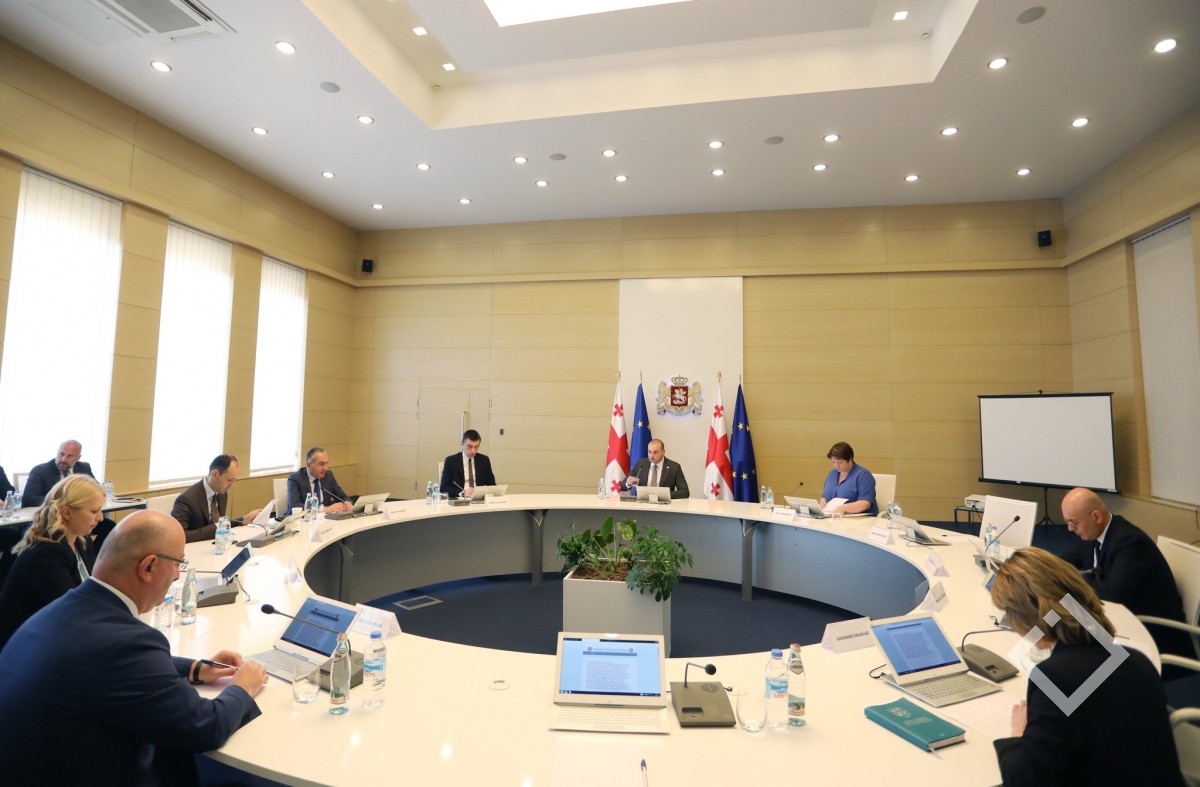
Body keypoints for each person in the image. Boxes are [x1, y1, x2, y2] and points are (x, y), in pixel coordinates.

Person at [0, 509, 266, 784]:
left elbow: (101, 662)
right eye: (178, 563)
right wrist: (243, 686)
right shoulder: (127, 643)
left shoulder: (68, 607)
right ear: (148, 567)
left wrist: (196, 668)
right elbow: (205, 727)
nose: (177, 575)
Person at [990, 547, 1183, 786]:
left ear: (1028, 616)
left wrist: (1018, 733)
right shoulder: (1137, 660)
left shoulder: (1056, 678)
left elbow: (1024, 779)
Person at [1060, 486, 1189, 657]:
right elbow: (1064, 561)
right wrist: (1044, 567)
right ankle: (1036, 646)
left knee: (1076, 650)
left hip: (1150, 635)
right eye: (1067, 522)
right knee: (1061, 619)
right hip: (1116, 623)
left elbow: (1112, 594)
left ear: (1096, 516)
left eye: (1074, 522)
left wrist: (1072, 581)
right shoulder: (1091, 534)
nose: (1070, 529)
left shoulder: (1130, 543)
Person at [0, 475, 103, 652]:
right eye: (94, 511)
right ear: (67, 512)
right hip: (23, 646)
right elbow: (70, 611)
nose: (100, 517)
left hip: (56, 634)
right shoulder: (46, 554)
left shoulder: (81, 541)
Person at [171, 454, 262, 543]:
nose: (232, 485)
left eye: (234, 480)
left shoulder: (222, 493)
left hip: (218, 545)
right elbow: (180, 535)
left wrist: (244, 519)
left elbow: (221, 524)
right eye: (229, 480)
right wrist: (216, 528)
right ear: (215, 474)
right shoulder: (186, 499)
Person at [22, 439, 95, 507]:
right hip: (50, 511)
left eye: (70, 456)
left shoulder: (84, 467)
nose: (63, 459)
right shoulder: (40, 470)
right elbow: (29, 498)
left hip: (77, 511)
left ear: (78, 458)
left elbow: (95, 489)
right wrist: (61, 504)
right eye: (61, 454)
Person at [287, 446, 352, 513]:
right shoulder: (295, 479)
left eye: (326, 463)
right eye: (321, 464)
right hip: (302, 518)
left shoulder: (328, 475)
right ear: (308, 465)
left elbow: (342, 496)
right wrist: (324, 509)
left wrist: (347, 503)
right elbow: (295, 506)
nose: (325, 468)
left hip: (324, 518)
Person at [818, 441, 878, 514]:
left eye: (840, 462)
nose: (837, 466)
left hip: (859, 518)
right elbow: (824, 496)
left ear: (850, 459)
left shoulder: (863, 475)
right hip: (834, 517)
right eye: (834, 462)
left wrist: (844, 508)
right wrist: (823, 501)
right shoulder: (832, 474)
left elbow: (865, 503)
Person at [439, 429, 497, 499]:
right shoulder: (451, 461)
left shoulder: (484, 460)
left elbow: (491, 485)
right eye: (469, 447)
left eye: (476, 447)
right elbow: (443, 488)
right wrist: (462, 493)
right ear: (462, 444)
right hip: (460, 499)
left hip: (479, 499)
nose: (473, 451)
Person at [624, 438, 690, 499]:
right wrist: (628, 483)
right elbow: (622, 485)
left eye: (655, 452)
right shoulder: (640, 464)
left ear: (663, 452)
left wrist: (661, 495)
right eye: (649, 452)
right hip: (643, 504)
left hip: (664, 505)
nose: (651, 456)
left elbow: (685, 492)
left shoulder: (674, 467)